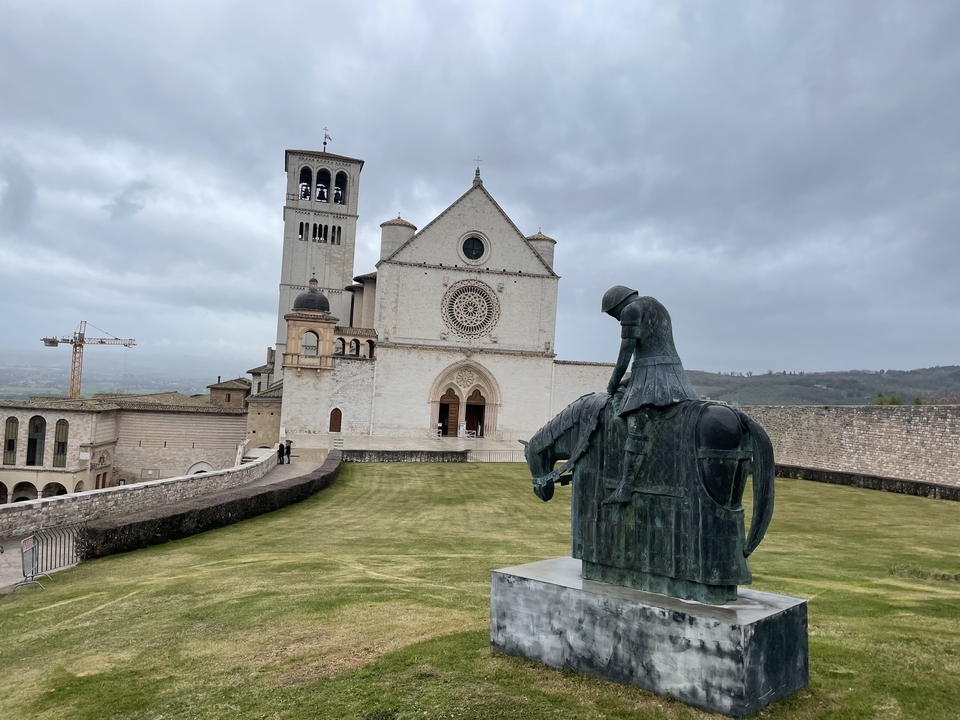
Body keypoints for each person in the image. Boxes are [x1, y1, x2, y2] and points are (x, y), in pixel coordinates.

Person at [601, 285, 699, 504]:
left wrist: (613, 383)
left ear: (617, 306)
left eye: (613, 315)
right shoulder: (657, 305)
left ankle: (625, 487)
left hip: (653, 375)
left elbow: (626, 353)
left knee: (635, 424)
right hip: (671, 373)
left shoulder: (631, 310)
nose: (617, 320)